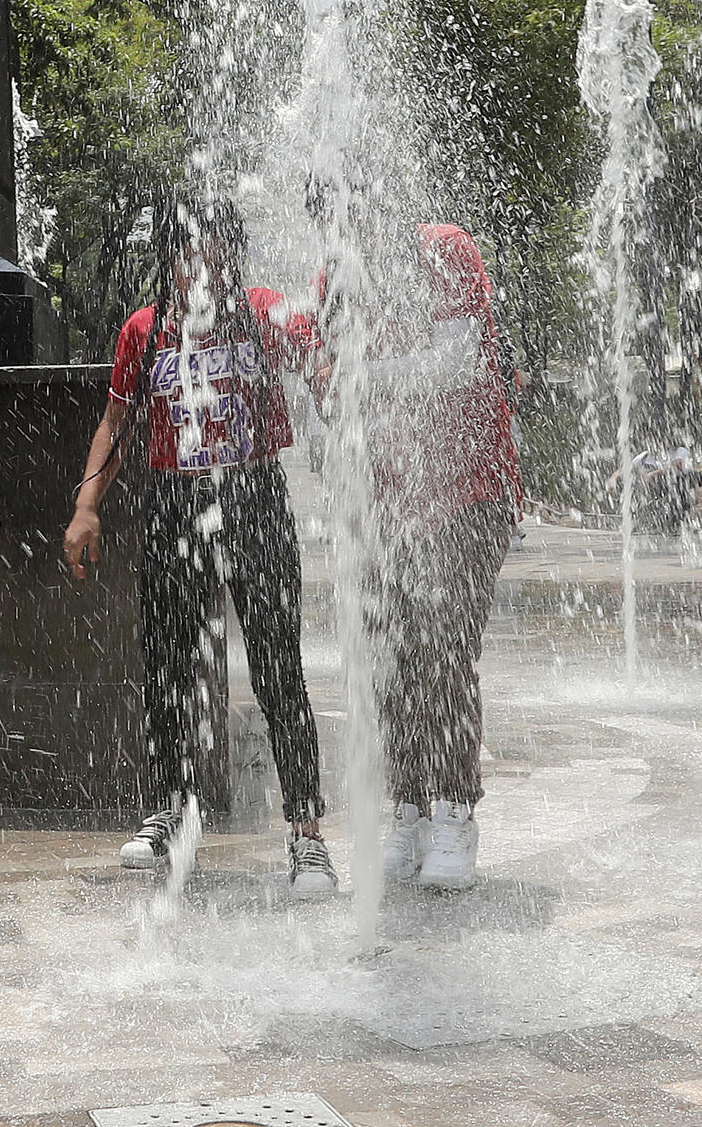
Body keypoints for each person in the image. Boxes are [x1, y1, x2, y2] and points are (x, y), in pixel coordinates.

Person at [62, 192, 338, 900]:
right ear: (169, 254)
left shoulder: (264, 312)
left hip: (255, 501)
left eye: (210, 244)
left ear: (229, 250)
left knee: (279, 674)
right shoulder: (145, 332)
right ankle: (172, 810)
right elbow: (114, 425)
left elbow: (327, 376)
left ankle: (308, 837)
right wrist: (86, 507)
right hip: (174, 506)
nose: (198, 260)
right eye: (185, 246)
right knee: (167, 671)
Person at [317, 224, 520, 891]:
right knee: (392, 662)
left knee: (444, 651)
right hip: (387, 506)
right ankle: (409, 811)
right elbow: (328, 396)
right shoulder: (334, 281)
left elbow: (455, 366)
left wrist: (357, 379)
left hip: (466, 494)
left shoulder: (444, 249)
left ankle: (456, 811)